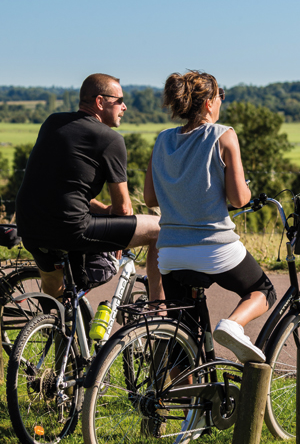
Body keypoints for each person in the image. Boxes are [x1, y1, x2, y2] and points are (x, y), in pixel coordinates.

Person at [143, 70, 276, 363]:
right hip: (214, 248)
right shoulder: (223, 135)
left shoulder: (162, 140)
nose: (221, 103)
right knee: (262, 290)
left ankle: (187, 400)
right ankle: (233, 324)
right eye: (220, 97)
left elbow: (151, 198)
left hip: (171, 253)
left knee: (185, 334)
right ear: (207, 103)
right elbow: (239, 199)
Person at [15, 73, 163, 301]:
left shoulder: (53, 122)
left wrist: (102, 210)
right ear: (100, 101)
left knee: (57, 293)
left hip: (29, 226)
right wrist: (114, 219)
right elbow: (123, 209)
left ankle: (54, 328)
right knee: (158, 228)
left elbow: (62, 187)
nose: (124, 107)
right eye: (119, 100)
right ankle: (158, 309)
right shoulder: (111, 139)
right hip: (71, 229)